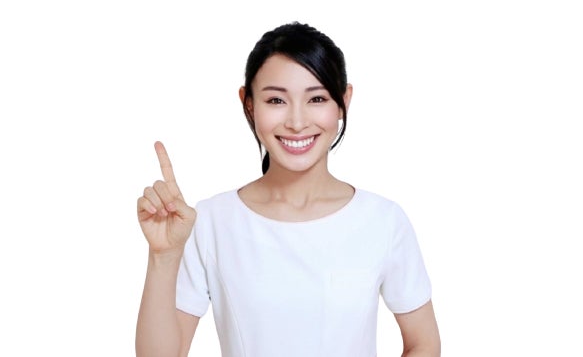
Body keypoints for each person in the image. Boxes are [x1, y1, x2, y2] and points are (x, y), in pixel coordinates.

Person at [135, 22, 441, 357]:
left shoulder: (383, 220)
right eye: (276, 100)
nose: (297, 122)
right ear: (249, 104)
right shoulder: (210, 221)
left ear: (344, 101)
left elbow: (424, 344)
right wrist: (163, 257)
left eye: (317, 98)